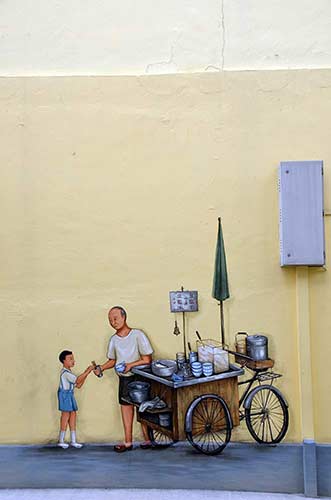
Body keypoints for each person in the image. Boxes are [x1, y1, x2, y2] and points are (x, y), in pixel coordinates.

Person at [94, 306, 153, 452]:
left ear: (124, 317)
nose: (113, 322)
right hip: (124, 380)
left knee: (142, 410)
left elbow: (147, 359)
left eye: (115, 318)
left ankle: (147, 440)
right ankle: (128, 442)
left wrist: (130, 365)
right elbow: (113, 360)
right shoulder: (113, 340)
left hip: (140, 377)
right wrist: (101, 368)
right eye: (110, 320)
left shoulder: (137, 335)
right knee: (126, 410)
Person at [57, 350, 93, 449]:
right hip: (65, 396)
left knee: (73, 415)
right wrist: (87, 371)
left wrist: (86, 374)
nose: (73, 361)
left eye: (73, 358)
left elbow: (78, 385)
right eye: (70, 359)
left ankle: (73, 440)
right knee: (65, 416)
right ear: (63, 361)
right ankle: (61, 440)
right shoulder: (65, 373)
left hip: (70, 395)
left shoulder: (69, 373)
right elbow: (77, 380)